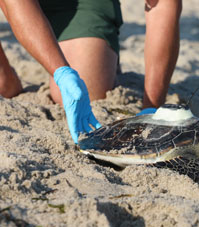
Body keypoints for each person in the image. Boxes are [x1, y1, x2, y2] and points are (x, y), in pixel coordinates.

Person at [0, 0, 181, 143]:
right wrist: (62, 72)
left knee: (87, 89)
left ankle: (103, 49)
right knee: (3, 86)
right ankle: (6, 77)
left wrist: (152, 107)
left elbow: (163, 5)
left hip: (79, 4)